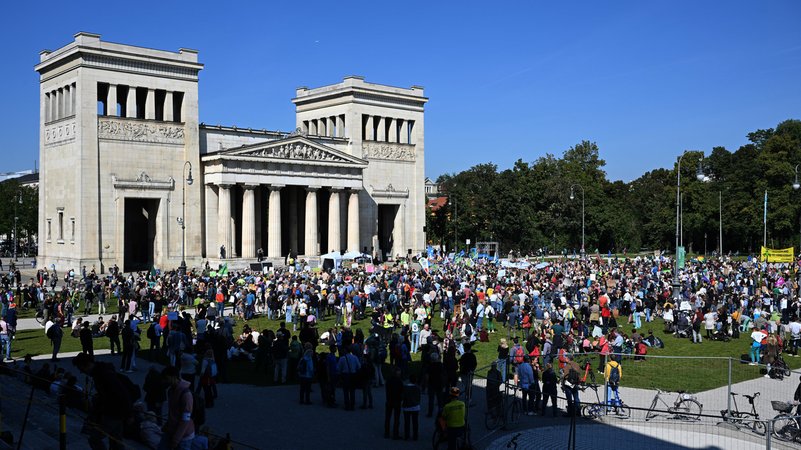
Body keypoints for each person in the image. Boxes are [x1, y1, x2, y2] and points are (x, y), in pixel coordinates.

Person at [73, 353, 133, 450]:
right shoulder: (101, 373)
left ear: (87, 365)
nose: (81, 372)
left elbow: (122, 394)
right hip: (115, 412)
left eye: (81, 369)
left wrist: (130, 414)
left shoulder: (104, 375)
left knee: (94, 439)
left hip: (114, 413)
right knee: (115, 441)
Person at [159, 366, 196, 450]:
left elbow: (185, 420)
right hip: (171, 431)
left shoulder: (186, 395)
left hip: (184, 436)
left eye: (166, 378)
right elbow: (173, 412)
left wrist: (176, 439)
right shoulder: (170, 391)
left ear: (174, 377)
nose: (164, 381)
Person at [337, 345, 361, 410]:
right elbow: (359, 366)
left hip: (345, 375)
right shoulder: (355, 357)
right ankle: (352, 404)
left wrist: (339, 377)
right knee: (352, 391)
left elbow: (338, 369)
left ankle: (347, 405)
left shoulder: (342, 358)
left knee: (346, 391)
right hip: (353, 375)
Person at [384, 367, 403, 439]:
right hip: (397, 401)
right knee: (396, 418)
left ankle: (386, 432)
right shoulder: (399, 381)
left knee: (388, 417)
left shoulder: (388, 381)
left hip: (389, 400)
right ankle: (395, 433)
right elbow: (402, 392)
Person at [402, 373, 421, 441]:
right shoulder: (417, 388)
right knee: (415, 422)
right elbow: (419, 397)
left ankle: (407, 435)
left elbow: (403, 396)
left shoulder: (405, 387)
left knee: (407, 422)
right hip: (415, 406)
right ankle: (415, 436)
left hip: (406, 406)